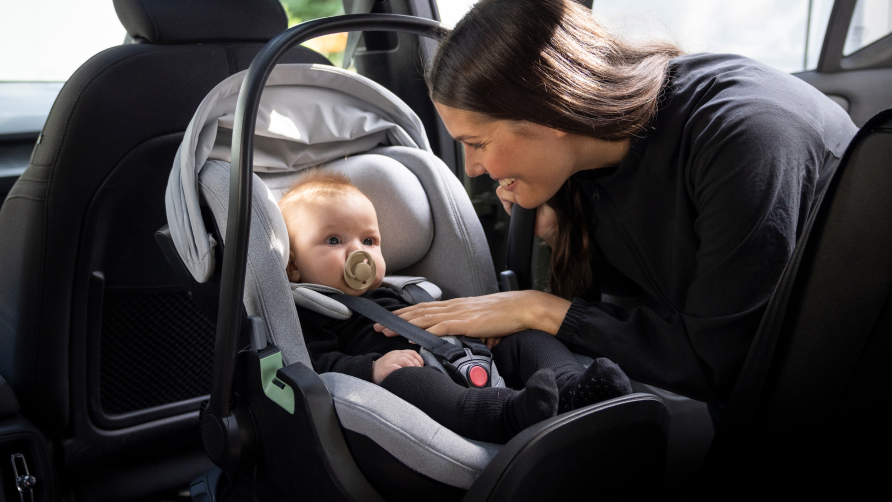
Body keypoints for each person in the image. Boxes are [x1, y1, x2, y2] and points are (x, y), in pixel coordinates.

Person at [381, 0, 858, 406]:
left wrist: (542, 310)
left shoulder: (745, 137)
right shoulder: (588, 157)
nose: (472, 168)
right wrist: (562, 232)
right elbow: (658, 283)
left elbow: (722, 364)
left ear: (550, 110)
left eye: (478, 142)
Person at [278, 168, 632, 443]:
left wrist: (477, 336)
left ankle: (571, 389)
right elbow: (316, 364)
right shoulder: (313, 310)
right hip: (412, 376)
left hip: (466, 354)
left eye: (370, 240)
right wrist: (372, 369)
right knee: (409, 382)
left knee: (528, 339)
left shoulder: (405, 289)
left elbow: (447, 316)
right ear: (294, 265)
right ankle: (507, 414)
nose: (359, 252)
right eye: (334, 240)